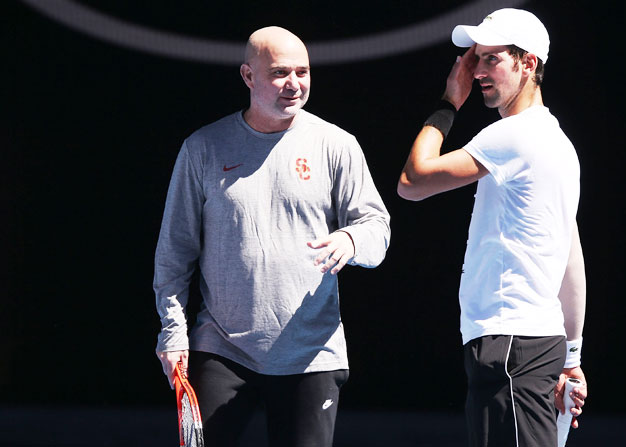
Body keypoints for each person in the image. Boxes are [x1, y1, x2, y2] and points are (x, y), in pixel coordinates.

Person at [154, 26, 390, 446]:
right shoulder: (204, 147)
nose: (294, 84)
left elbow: (377, 228)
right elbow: (175, 250)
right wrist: (173, 331)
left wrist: (352, 241)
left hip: (311, 352)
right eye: (280, 72)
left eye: (303, 71)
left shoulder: (336, 144)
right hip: (223, 348)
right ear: (248, 76)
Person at [397, 8, 587, 447]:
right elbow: (570, 256)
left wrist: (449, 103)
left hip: (511, 346)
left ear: (528, 63)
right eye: (473, 60)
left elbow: (412, 182)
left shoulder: (513, 136)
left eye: (490, 59)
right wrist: (572, 356)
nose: (477, 70)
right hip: (534, 345)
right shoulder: (561, 145)